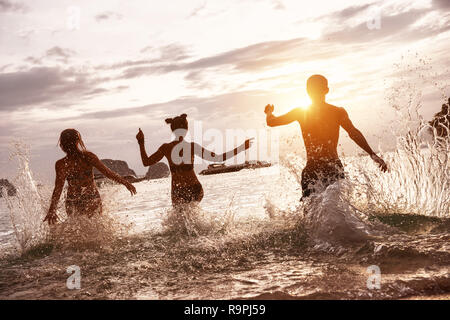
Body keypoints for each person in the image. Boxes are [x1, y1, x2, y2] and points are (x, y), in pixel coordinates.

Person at [264, 74, 387, 199]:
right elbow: (353, 132)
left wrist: (269, 112)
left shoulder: (300, 112)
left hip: (312, 169)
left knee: (310, 211)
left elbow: (272, 122)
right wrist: (372, 154)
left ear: (307, 91)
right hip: (333, 167)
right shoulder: (338, 112)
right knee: (338, 208)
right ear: (326, 90)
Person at [136, 113, 253, 206]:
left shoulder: (166, 148)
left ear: (172, 130)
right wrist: (241, 147)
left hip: (179, 191)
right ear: (186, 130)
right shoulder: (192, 147)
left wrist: (141, 142)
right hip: (195, 189)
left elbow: (146, 162)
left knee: (181, 229)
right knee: (192, 222)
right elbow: (218, 158)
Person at [44, 129, 136, 224]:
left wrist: (52, 209)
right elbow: (108, 173)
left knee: (76, 231)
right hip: (91, 197)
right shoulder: (87, 157)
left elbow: (58, 188)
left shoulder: (62, 164)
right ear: (78, 142)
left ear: (62, 145)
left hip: (73, 200)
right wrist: (125, 183)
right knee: (95, 226)